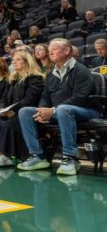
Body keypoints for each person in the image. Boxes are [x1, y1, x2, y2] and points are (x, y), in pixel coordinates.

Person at [17, 39, 100, 175]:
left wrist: (53, 110)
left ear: (66, 51)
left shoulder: (81, 70)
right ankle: (37, 156)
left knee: (63, 109)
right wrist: (42, 110)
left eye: (53, 50)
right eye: (48, 51)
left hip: (87, 110)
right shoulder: (51, 74)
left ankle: (70, 157)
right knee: (25, 112)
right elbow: (45, 96)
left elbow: (80, 97)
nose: (49, 53)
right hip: (60, 111)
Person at [0, 51, 44, 168]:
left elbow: (30, 99)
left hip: (25, 111)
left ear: (27, 61)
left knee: (10, 122)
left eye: (18, 59)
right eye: (13, 60)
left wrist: (14, 110)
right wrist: (3, 109)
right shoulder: (12, 79)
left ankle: (2, 153)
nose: (14, 62)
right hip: (11, 111)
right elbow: (4, 99)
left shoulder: (35, 77)